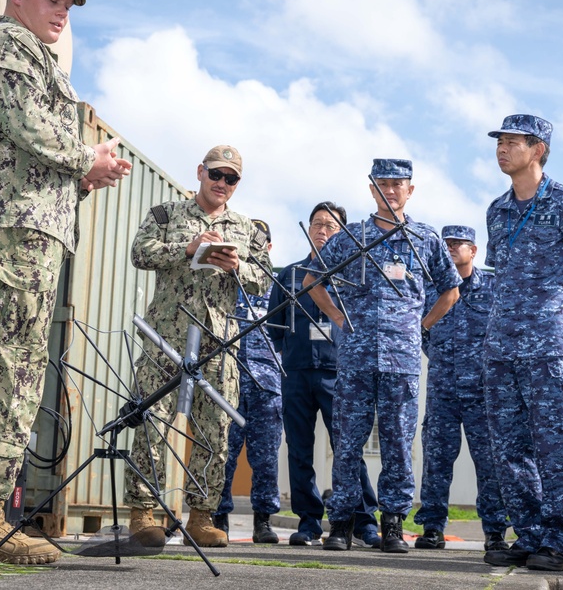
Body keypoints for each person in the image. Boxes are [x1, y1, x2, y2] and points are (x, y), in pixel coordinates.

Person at [0, 0, 131, 565]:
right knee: (9, 369)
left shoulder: (37, 54)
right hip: (7, 232)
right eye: (53, 0)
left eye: (69, 5)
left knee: (9, 368)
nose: (62, 13)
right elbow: (27, 125)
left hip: (22, 226)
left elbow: (26, 150)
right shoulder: (4, 43)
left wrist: (85, 177)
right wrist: (86, 158)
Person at [303, 159, 461, 554]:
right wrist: (338, 316)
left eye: (398, 184)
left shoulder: (424, 239)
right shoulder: (351, 237)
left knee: (397, 443)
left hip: (402, 360)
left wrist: (421, 326)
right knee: (348, 441)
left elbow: (451, 290)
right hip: (356, 357)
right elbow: (311, 280)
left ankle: (392, 524)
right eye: (383, 184)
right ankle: (341, 523)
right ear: (372, 190)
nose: (390, 190)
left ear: (411, 190)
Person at [125, 146, 273, 548]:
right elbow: (140, 253)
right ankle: (142, 512)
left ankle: (202, 515)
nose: (222, 184)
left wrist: (237, 265)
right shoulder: (165, 215)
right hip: (166, 336)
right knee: (152, 419)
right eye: (216, 175)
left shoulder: (247, 228)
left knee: (215, 427)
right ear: (200, 173)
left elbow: (264, 278)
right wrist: (188, 248)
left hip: (219, 340)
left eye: (231, 178)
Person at [481, 114, 563, 573]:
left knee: (553, 447)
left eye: (512, 142)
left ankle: (556, 539)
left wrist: (552, 317)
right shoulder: (497, 209)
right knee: (510, 448)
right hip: (501, 346)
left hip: (551, 349)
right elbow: (501, 274)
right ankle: (528, 534)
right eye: (500, 142)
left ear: (538, 149)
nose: (502, 149)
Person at [267, 202, 381, 548]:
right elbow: (274, 326)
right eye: (317, 224)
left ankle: (364, 522)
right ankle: (309, 522)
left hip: (340, 372)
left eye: (331, 226)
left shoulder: (355, 272)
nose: (322, 231)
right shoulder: (289, 274)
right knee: (300, 450)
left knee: (347, 449)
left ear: (344, 233)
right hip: (297, 372)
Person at [414, 225, 510, 552]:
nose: (452, 248)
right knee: (436, 462)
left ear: (474, 251)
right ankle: (432, 528)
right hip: (442, 392)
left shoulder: (495, 288)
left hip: (484, 395)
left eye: (459, 244)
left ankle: (495, 532)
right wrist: (444, 362)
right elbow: (422, 334)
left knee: (490, 465)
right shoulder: (430, 289)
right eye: (447, 244)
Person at [214, 219, 283, 544]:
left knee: (266, 456)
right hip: (228, 379)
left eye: (259, 243)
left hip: (267, 386)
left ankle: (263, 521)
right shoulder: (222, 281)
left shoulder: (278, 284)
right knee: (222, 453)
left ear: (268, 247)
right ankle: (217, 516)